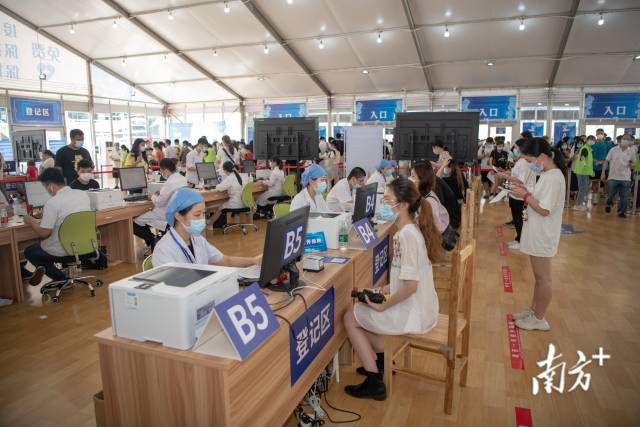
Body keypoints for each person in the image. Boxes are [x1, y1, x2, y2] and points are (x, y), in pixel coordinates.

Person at [343, 177, 440, 400]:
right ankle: (381, 362)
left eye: (387, 201)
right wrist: (383, 290)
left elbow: (411, 286)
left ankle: (374, 382)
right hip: (420, 308)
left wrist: (383, 306)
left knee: (350, 317)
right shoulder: (410, 230)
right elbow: (405, 279)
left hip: (413, 313)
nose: (383, 206)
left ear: (403, 205)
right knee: (361, 311)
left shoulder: (406, 236)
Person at [509, 138, 566, 331]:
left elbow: (544, 209)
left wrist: (524, 196)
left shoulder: (554, 177)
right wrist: (526, 190)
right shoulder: (548, 175)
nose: (530, 165)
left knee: (543, 278)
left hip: (544, 234)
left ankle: (539, 318)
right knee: (539, 277)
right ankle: (534, 310)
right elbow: (540, 197)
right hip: (538, 232)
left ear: (541, 156)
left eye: (530, 160)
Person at [152, 188, 261, 267]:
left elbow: (225, 260)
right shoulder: (164, 250)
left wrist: (254, 260)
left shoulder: (197, 239)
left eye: (204, 214)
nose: (202, 219)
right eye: (197, 215)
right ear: (178, 216)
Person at [22, 168, 91, 287]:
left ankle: (60, 277)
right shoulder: (82, 194)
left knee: (30, 251)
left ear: (50, 186)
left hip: (64, 250)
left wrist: (31, 220)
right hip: (84, 246)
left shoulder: (52, 203)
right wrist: (46, 215)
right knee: (42, 248)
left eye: (45, 187)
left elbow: (44, 233)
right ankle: (45, 268)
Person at [134, 158, 188, 250]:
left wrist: (152, 196)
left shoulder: (170, 183)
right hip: (178, 213)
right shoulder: (183, 179)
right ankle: (153, 240)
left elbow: (159, 203)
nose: (161, 173)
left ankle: (152, 240)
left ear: (166, 171)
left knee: (135, 222)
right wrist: (161, 192)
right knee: (144, 218)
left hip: (165, 214)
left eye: (161, 171)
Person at [497, 139, 536, 250]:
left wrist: (504, 176)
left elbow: (520, 180)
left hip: (520, 194)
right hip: (515, 193)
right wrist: (508, 173)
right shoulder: (522, 161)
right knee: (517, 218)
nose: (515, 149)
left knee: (519, 219)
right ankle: (519, 238)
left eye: (516, 147)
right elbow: (516, 174)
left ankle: (521, 241)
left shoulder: (524, 162)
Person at [601, 134, 636, 218]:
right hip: (613, 177)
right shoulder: (613, 150)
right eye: (624, 138)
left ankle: (621, 211)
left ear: (630, 141)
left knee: (624, 196)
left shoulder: (631, 151)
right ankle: (609, 203)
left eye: (628, 139)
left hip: (625, 178)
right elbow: (606, 161)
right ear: (621, 139)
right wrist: (603, 173)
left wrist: (632, 165)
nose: (626, 140)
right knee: (611, 194)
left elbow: (634, 164)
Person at [411, 162, 450, 233]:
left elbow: (438, 228)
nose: (410, 179)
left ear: (422, 180)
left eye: (413, 176)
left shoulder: (430, 201)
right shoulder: (424, 194)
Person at [207, 161, 245, 228]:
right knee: (222, 204)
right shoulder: (238, 176)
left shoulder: (230, 178)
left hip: (235, 204)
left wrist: (215, 185)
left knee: (220, 207)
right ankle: (209, 223)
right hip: (243, 202)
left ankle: (209, 223)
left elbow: (219, 188)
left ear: (225, 170)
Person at [572, 136, 593, 211]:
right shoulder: (585, 148)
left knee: (584, 188)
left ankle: (579, 203)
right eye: (591, 140)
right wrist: (585, 165)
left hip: (584, 172)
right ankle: (578, 205)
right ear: (587, 140)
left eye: (593, 140)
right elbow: (582, 157)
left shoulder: (589, 149)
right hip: (582, 171)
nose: (592, 141)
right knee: (582, 188)